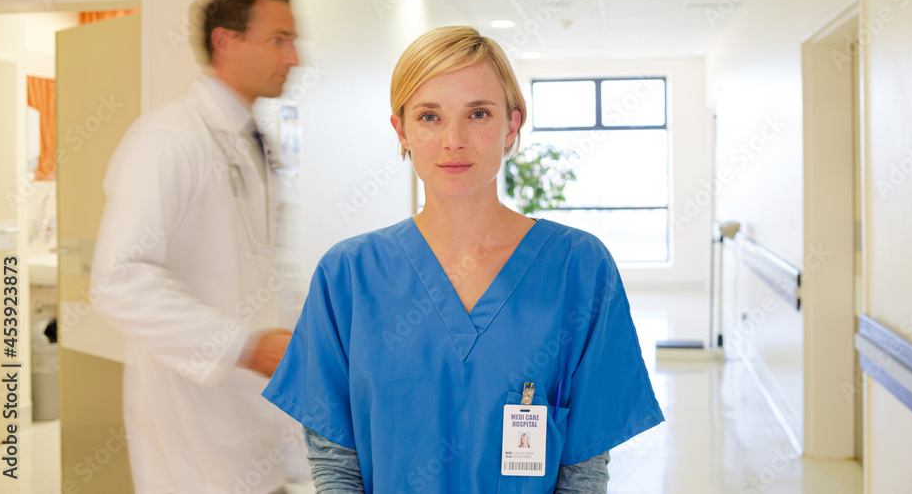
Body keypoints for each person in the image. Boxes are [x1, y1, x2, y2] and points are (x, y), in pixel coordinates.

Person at [262, 26, 664, 493]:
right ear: (403, 130)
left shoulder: (579, 268)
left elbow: (583, 471)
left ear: (512, 124)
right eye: (430, 116)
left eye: (477, 113)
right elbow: (335, 464)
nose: (454, 140)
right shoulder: (349, 276)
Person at [91, 0, 308, 494]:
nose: (295, 57)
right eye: (279, 39)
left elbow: (259, 265)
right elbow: (118, 281)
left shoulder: (250, 139)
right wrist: (244, 348)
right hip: (195, 425)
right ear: (225, 41)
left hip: (251, 418)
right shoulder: (168, 140)